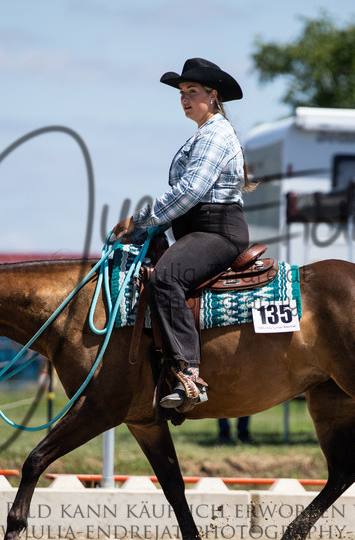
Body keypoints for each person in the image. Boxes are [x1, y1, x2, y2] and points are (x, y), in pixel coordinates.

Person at [112, 58, 253, 411]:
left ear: (213, 95)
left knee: (164, 279)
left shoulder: (215, 134)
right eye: (181, 93)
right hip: (199, 229)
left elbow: (190, 192)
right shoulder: (205, 133)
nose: (185, 99)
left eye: (192, 92)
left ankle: (188, 374)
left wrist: (140, 221)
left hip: (216, 231)